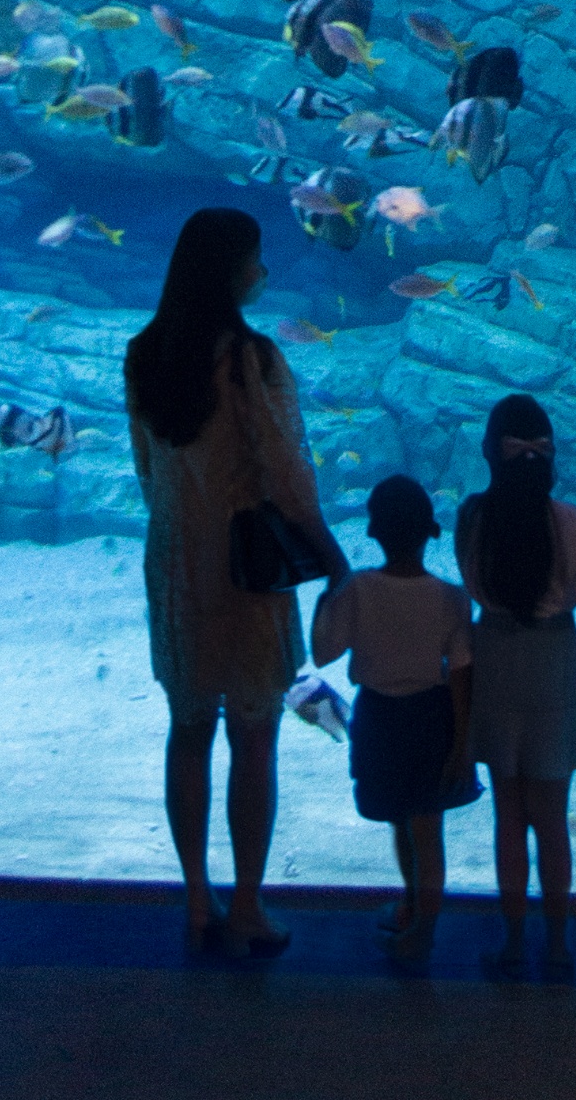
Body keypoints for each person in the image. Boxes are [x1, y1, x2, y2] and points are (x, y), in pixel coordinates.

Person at [126, 207, 348, 962]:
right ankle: (248, 900)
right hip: (248, 567)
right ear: (228, 269)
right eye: (255, 257)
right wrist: (334, 559)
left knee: (188, 728)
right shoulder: (252, 359)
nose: (263, 270)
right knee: (255, 735)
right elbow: (287, 474)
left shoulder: (143, 354)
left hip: (176, 561)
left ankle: (196, 895)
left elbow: (147, 472)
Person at [453, 393, 576, 982]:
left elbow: (474, 588)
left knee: (508, 813)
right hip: (554, 662)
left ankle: (511, 941)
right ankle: (556, 943)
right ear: (548, 456)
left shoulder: (473, 517)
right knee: (552, 818)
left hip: (497, 658)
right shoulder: (568, 520)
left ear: (490, 454)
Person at [313, 474, 480, 969]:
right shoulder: (453, 598)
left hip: (379, 720)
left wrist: (330, 590)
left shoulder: (358, 589)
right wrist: (463, 743)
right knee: (427, 829)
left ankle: (417, 919)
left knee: (401, 822)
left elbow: (322, 653)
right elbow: (463, 675)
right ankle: (420, 919)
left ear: (373, 531)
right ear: (430, 530)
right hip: (434, 719)